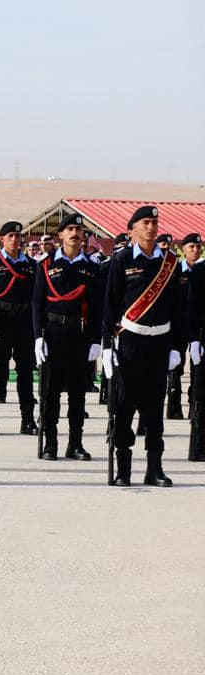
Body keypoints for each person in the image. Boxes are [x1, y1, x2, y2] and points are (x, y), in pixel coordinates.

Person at [101, 206, 193, 488]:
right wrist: (107, 346)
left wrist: (177, 347)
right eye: (145, 223)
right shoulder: (121, 260)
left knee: (154, 407)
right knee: (124, 405)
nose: (151, 227)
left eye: (154, 222)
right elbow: (110, 306)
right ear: (132, 229)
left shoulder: (170, 262)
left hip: (160, 343)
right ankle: (123, 468)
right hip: (131, 342)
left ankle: (154, 467)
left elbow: (179, 310)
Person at [33, 213, 102, 461]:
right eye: (69, 229)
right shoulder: (46, 265)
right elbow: (38, 303)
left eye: (78, 229)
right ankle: (50, 442)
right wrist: (38, 337)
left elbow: (97, 308)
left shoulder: (92, 268)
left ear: (83, 235)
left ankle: (75, 443)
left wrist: (96, 340)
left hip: (80, 336)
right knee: (50, 393)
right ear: (60, 235)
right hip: (53, 334)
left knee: (77, 394)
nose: (74, 233)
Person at [0, 221, 38, 436]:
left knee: (25, 373)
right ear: (2, 239)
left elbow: (36, 299)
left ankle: (28, 419)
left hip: (24, 323)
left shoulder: (31, 265)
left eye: (17, 236)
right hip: (0, 321)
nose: (14, 240)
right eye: (10, 236)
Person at [170, 233, 202, 424]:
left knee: (197, 366)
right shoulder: (176, 271)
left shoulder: (202, 271)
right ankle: (174, 406)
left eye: (198, 247)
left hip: (197, 325)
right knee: (176, 366)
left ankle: (194, 404)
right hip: (179, 325)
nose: (195, 250)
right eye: (191, 247)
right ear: (183, 250)